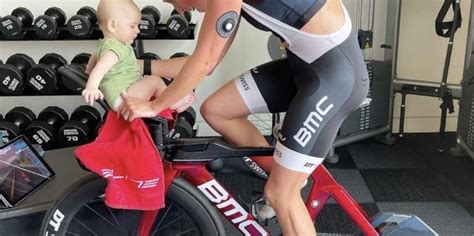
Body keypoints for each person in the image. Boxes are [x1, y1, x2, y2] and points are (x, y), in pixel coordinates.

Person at [118, 0, 369, 235]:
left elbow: (203, 63)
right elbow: (204, 62)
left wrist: (155, 106)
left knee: (280, 194)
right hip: (303, 68)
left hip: (335, 78)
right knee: (217, 110)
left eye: (173, 1)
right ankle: (284, 177)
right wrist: (136, 66)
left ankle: (285, 188)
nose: (180, 11)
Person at [83, 0, 194, 112]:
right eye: (132, 26)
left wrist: (87, 74)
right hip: (124, 97)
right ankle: (173, 102)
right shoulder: (114, 50)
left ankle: (175, 104)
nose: (137, 30)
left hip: (125, 93)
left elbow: (94, 58)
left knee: (149, 83)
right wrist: (91, 87)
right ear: (112, 25)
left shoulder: (107, 45)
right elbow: (100, 68)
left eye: (137, 26)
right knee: (154, 80)